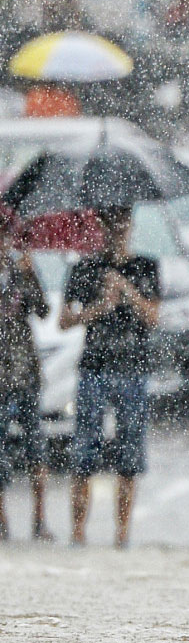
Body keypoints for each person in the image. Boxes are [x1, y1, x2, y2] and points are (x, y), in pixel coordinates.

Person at [58, 207, 159, 548]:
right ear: (101, 226)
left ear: (130, 225)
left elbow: (153, 317)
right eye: (111, 223)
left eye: (123, 222)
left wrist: (128, 291)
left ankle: (121, 534)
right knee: (84, 453)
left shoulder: (146, 266)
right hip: (94, 368)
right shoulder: (84, 268)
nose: (118, 229)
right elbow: (63, 320)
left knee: (129, 456)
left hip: (133, 370)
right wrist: (99, 307)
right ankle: (78, 532)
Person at [0, 222, 50, 540]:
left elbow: (44, 311)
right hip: (2, 376)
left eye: (5, 237)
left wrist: (30, 275)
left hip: (26, 371)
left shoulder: (21, 271)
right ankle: (3, 520)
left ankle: (39, 520)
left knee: (37, 449)